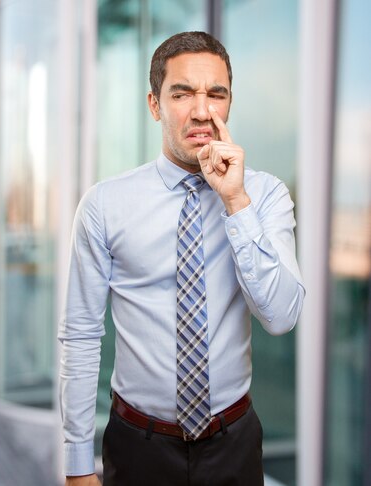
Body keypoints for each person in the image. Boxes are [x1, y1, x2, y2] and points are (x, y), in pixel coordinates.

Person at [58, 31, 305, 485]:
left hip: (233, 443)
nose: (201, 111)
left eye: (216, 94)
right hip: (138, 445)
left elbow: (282, 316)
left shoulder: (264, 196)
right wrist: (76, 463)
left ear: (230, 102)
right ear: (154, 105)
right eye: (182, 93)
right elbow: (81, 334)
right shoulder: (105, 206)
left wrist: (236, 204)